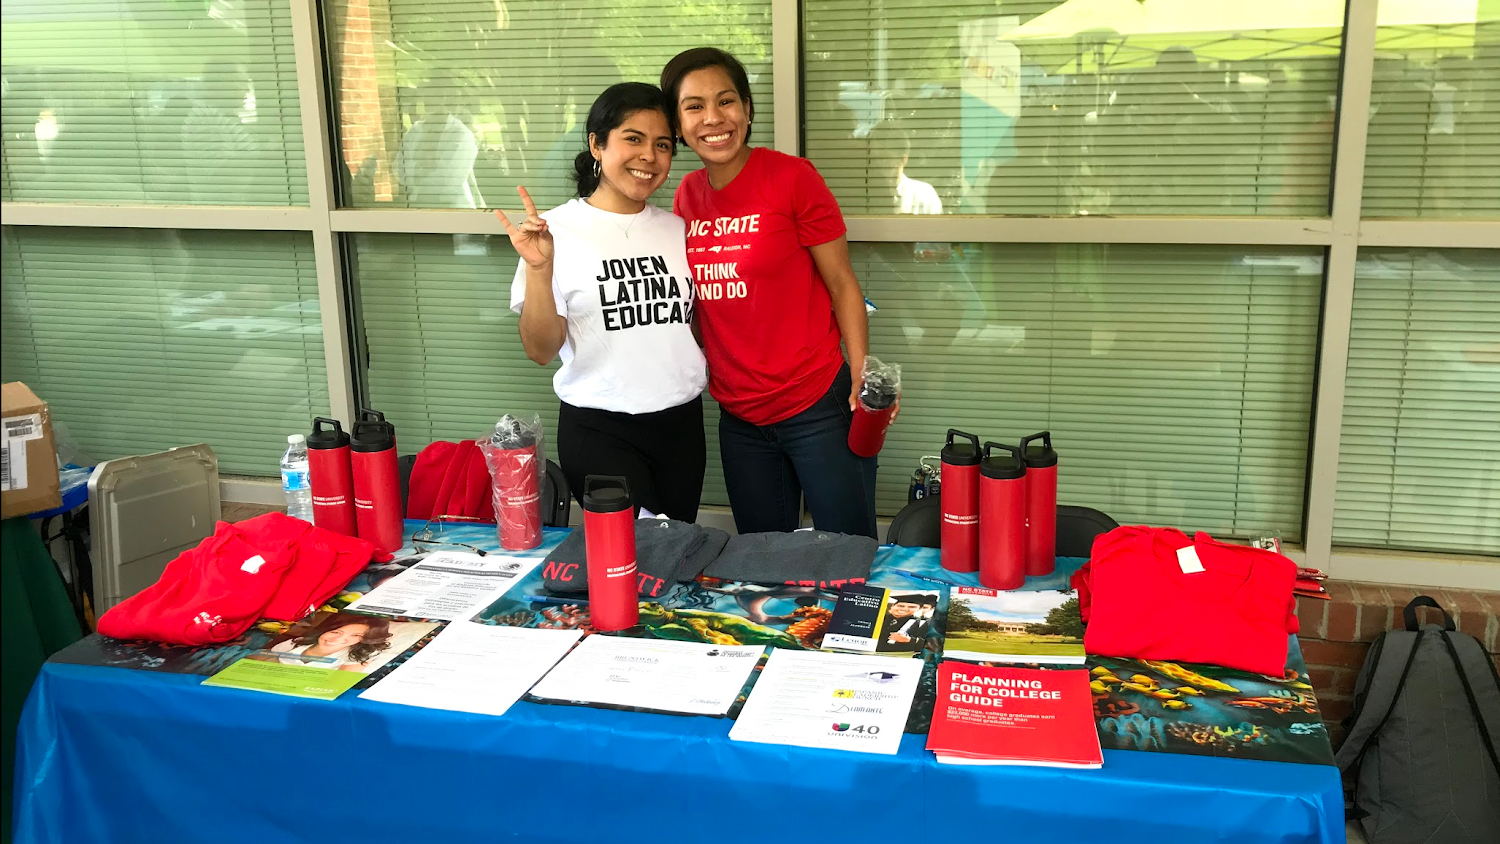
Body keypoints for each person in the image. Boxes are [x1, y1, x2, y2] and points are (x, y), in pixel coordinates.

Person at [661, 48, 886, 539]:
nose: (714, 118)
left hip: (817, 403)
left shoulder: (792, 178)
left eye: (726, 101)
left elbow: (842, 282)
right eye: (694, 106)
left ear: (747, 108)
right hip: (739, 416)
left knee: (847, 554)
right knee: (764, 564)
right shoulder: (686, 195)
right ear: (677, 124)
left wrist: (861, 371)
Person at [498, 82, 707, 522]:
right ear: (597, 143)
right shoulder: (554, 230)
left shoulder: (676, 229)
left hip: (681, 426)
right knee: (625, 560)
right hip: (600, 428)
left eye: (663, 144)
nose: (649, 155)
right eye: (633, 138)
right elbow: (540, 350)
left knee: (675, 557)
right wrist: (539, 270)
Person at [265, 613, 392, 672]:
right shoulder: (296, 643)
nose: (337, 639)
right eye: (336, 632)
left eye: (356, 635)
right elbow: (265, 660)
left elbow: (338, 682)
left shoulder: (358, 655)